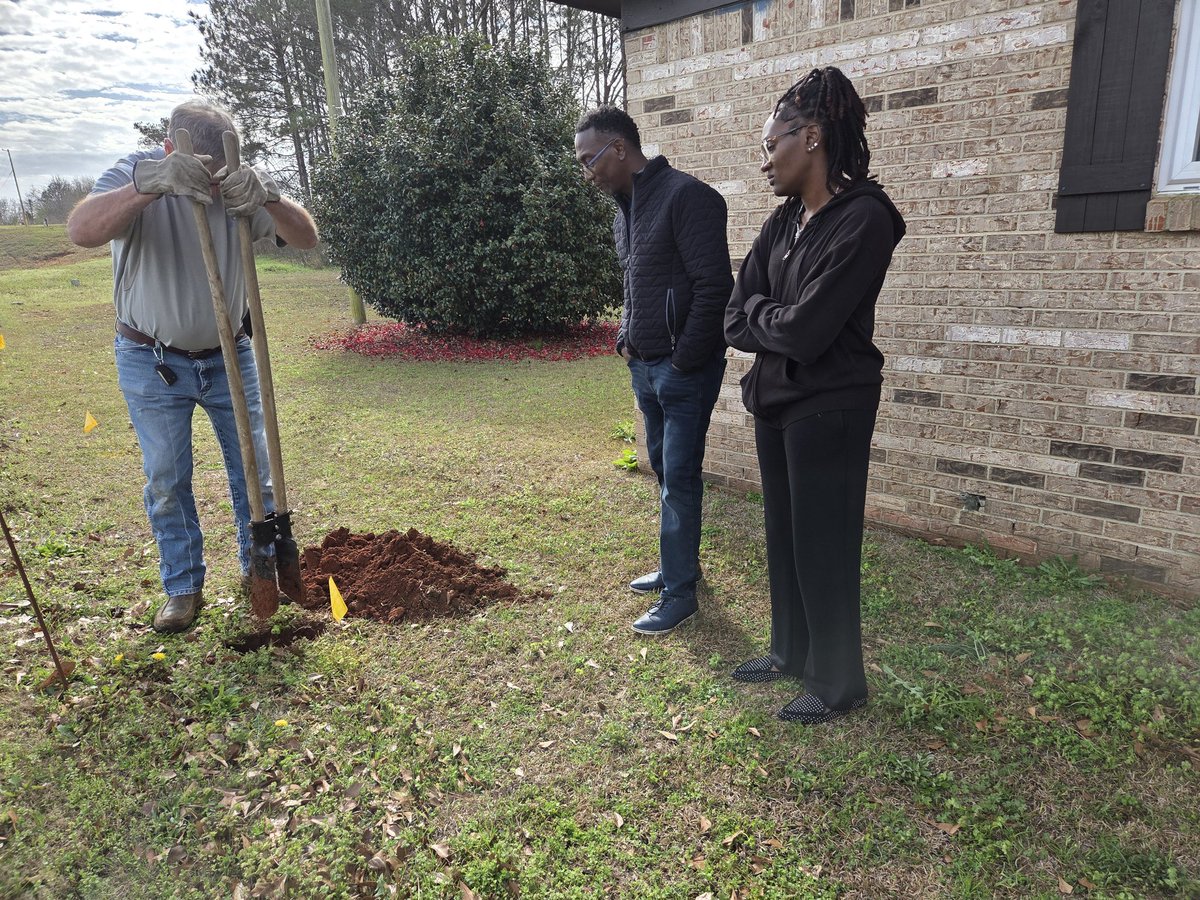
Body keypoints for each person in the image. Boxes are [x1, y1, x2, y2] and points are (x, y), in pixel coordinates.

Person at [67, 99, 318, 633]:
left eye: (221, 174)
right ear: (169, 150)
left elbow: (307, 238)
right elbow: (82, 230)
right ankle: (183, 588)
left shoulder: (240, 181)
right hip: (151, 358)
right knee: (167, 477)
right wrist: (150, 185)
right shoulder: (135, 173)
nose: (215, 187)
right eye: (206, 174)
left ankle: (260, 571)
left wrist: (270, 196)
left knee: (256, 472)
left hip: (231, 355)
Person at [724, 68, 906, 723]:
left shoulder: (865, 219)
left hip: (831, 404)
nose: (765, 160)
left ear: (811, 137)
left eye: (771, 144)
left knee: (824, 543)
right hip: (776, 400)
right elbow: (733, 315)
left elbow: (808, 331)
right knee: (785, 534)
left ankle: (837, 682)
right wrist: (772, 316)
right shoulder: (783, 222)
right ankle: (790, 650)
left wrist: (766, 314)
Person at [575, 106, 732, 635]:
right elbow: (634, 285)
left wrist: (683, 361)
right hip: (644, 368)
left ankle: (680, 594)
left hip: (682, 371)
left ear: (620, 148)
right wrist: (625, 339)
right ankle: (677, 568)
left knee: (679, 477)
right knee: (666, 473)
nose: (587, 172)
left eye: (590, 159)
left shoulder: (688, 197)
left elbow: (715, 289)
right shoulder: (624, 212)